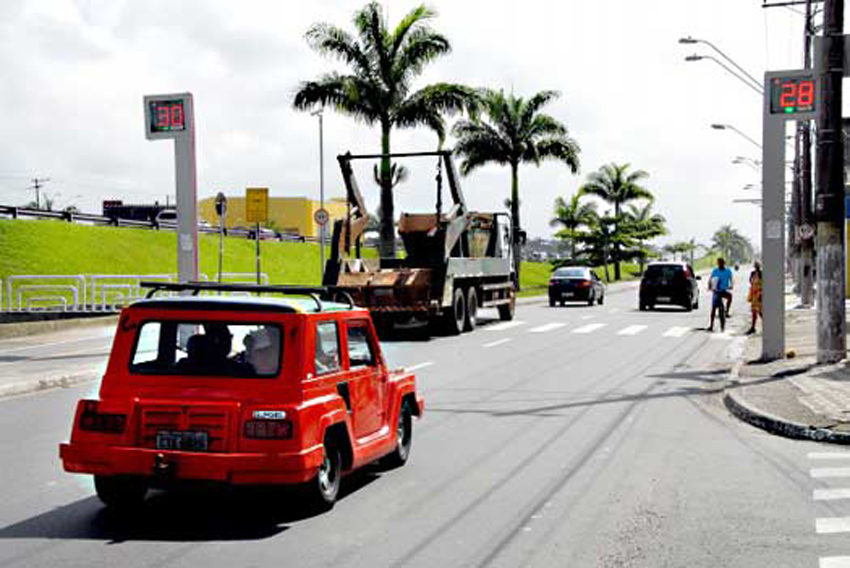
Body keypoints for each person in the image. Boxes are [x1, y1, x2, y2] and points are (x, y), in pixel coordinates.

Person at [708, 257, 734, 332]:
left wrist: (731, 285)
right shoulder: (715, 271)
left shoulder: (728, 271)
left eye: (721, 263)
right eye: (718, 263)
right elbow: (710, 279)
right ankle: (711, 325)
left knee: (730, 296)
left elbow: (731, 279)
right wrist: (709, 286)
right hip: (716, 291)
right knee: (713, 308)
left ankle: (727, 311)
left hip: (723, 290)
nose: (719, 264)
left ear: (724, 263)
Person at [746, 261, 763, 335]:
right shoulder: (752, 273)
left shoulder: (762, 274)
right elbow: (751, 282)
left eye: (757, 265)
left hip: (759, 295)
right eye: (755, 265)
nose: (756, 267)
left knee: (760, 312)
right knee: (754, 312)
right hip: (754, 295)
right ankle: (753, 327)